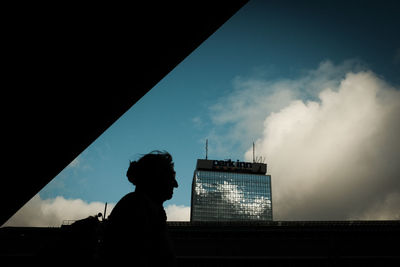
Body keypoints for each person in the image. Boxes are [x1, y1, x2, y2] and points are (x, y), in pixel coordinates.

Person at [101, 151, 179, 266]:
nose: (176, 184)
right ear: (155, 177)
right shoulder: (137, 208)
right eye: (170, 177)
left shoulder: (138, 205)